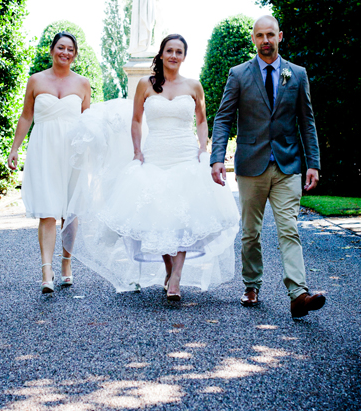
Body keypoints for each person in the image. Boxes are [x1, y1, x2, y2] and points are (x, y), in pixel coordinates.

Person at [64, 34, 239, 299]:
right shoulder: (146, 85)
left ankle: (176, 278)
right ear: (161, 54)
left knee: (184, 217)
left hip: (185, 154)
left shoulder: (194, 86)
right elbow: (136, 121)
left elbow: (202, 121)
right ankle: (169, 269)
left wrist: (203, 149)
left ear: (184, 56)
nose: (174, 56)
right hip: (155, 155)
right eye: (169, 50)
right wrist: (137, 151)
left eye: (179, 52)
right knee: (159, 216)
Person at [210, 15, 325, 318]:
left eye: (270, 35)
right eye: (260, 35)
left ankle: (298, 294)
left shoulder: (297, 74)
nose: (265, 40)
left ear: (280, 36)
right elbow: (223, 118)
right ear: (253, 39)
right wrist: (217, 158)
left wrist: (313, 163)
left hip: (288, 165)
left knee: (289, 229)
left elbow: (307, 121)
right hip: (251, 165)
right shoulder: (238, 75)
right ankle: (251, 284)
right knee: (251, 231)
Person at [8, 32, 91, 294]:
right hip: (44, 148)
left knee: (70, 211)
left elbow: (88, 122)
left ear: (75, 54)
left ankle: (66, 264)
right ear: (51, 50)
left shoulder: (83, 84)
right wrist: (14, 148)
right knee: (47, 209)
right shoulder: (36, 80)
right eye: (60, 48)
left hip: (73, 151)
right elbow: (26, 117)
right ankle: (46, 270)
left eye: (70, 49)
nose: (65, 53)